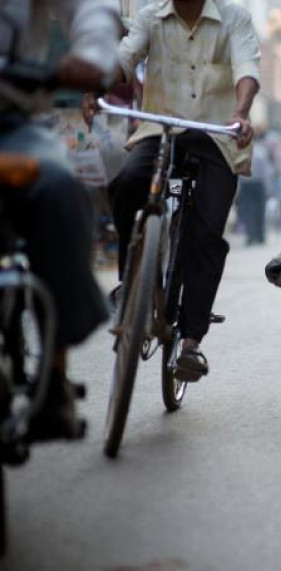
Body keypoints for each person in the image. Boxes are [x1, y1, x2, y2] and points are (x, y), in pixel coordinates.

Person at [83, 0, 261, 381]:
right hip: (160, 129)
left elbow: (247, 67)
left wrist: (241, 111)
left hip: (217, 137)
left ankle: (192, 342)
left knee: (207, 233)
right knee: (128, 182)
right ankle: (133, 280)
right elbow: (126, 58)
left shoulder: (235, 18)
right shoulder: (151, 17)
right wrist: (95, 85)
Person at [0, 0, 119, 439]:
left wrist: (91, 53)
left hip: (10, 124)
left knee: (60, 188)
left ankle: (53, 374)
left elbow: (91, 8)